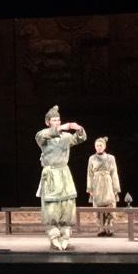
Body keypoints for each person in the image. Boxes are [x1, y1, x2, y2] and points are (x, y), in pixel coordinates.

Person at [35, 105, 86, 251]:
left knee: (67, 204)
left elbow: (79, 138)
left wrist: (79, 129)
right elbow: (44, 135)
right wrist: (63, 127)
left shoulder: (65, 137)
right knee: (52, 207)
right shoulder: (42, 135)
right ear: (48, 122)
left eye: (58, 120)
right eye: (54, 120)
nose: (57, 122)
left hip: (64, 173)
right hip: (51, 174)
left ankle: (65, 237)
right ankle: (54, 237)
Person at [86, 136, 121, 237]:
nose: (99, 147)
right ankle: (101, 228)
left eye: (100, 145)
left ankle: (109, 228)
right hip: (97, 183)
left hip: (108, 183)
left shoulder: (111, 158)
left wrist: (116, 188)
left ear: (104, 146)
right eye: (97, 146)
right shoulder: (92, 158)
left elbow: (114, 173)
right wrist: (90, 188)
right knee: (98, 207)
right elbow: (89, 174)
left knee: (110, 205)